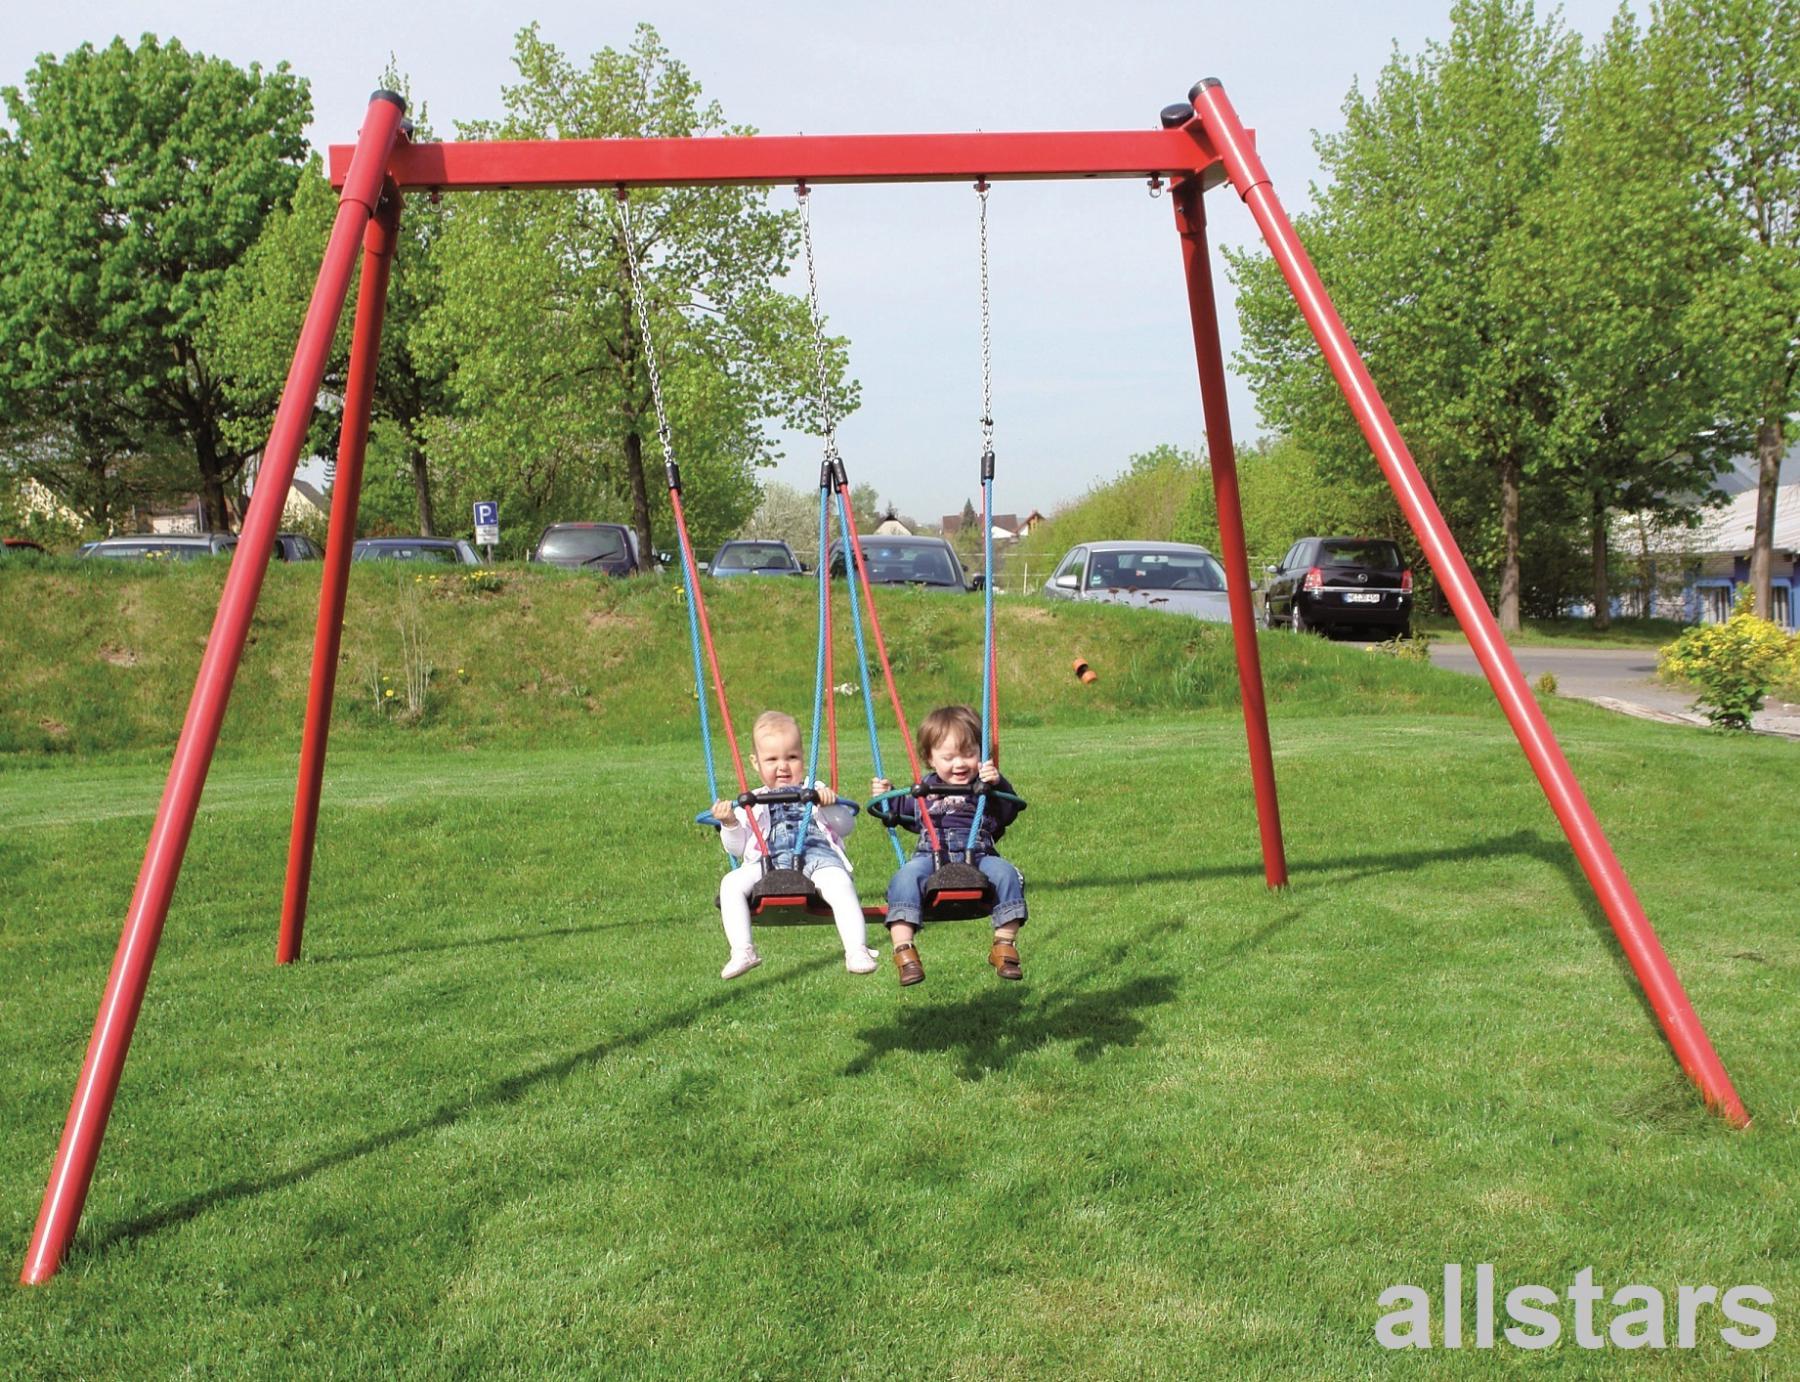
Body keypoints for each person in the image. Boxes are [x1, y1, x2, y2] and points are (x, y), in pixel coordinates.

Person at [713, 710, 878, 980]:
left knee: (839, 884)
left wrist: (830, 805)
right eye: (772, 759)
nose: (783, 767)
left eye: (792, 757)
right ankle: (742, 950)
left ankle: (856, 949)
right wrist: (730, 823)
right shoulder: (751, 800)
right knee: (730, 883)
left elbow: (846, 827)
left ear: (804, 757)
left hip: (816, 857)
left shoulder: (815, 789)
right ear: (755, 762)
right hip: (766, 862)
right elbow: (737, 848)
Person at [872, 704, 1027, 987]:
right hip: (931, 856)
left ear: (981, 754)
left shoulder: (985, 787)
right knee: (905, 878)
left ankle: (1004, 946)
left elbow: (1008, 813)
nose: (960, 764)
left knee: (1007, 874)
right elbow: (901, 813)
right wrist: (887, 795)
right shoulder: (922, 790)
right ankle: (905, 951)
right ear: (930, 759)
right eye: (948, 757)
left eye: (969, 754)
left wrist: (998, 783)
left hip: (978, 854)